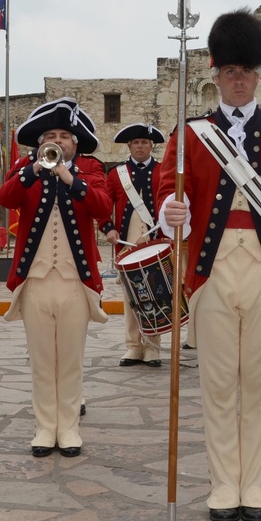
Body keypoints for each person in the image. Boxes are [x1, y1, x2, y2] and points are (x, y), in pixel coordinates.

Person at [159, 9, 261, 521]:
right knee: (217, 382)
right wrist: (170, 211)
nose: (238, 79)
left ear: (258, 75)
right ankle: (223, 482)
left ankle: (255, 482)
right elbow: (168, 186)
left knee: (258, 382)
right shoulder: (190, 135)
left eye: (247, 70)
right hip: (210, 268)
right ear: (215, 74)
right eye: (229, 70)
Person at [0, 97, 111, 458]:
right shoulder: (26, 166)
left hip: (75, 280)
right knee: (42, 358)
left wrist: (69, 177)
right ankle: (46, 428)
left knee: (71, 358)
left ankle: (69, 428)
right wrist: (32, 170)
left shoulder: (91, 168)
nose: (58, 141)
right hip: (36, 277)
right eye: (51, 134)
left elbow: (103, 207)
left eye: (65, 135)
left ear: (75, 143)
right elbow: (5, 198)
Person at [98, 123, 166, 368]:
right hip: (126, 246)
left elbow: (170, 203)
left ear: (151, 146)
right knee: (130, 298)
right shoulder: (117, 174)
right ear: (129, 146)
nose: (140, 146)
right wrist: (108, 228)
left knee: (155, 296)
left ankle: (152, 347)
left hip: (155, 244)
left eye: (144, 143)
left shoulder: (163, 171)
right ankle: (133, 347)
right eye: (136, 143)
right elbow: (104, 205)